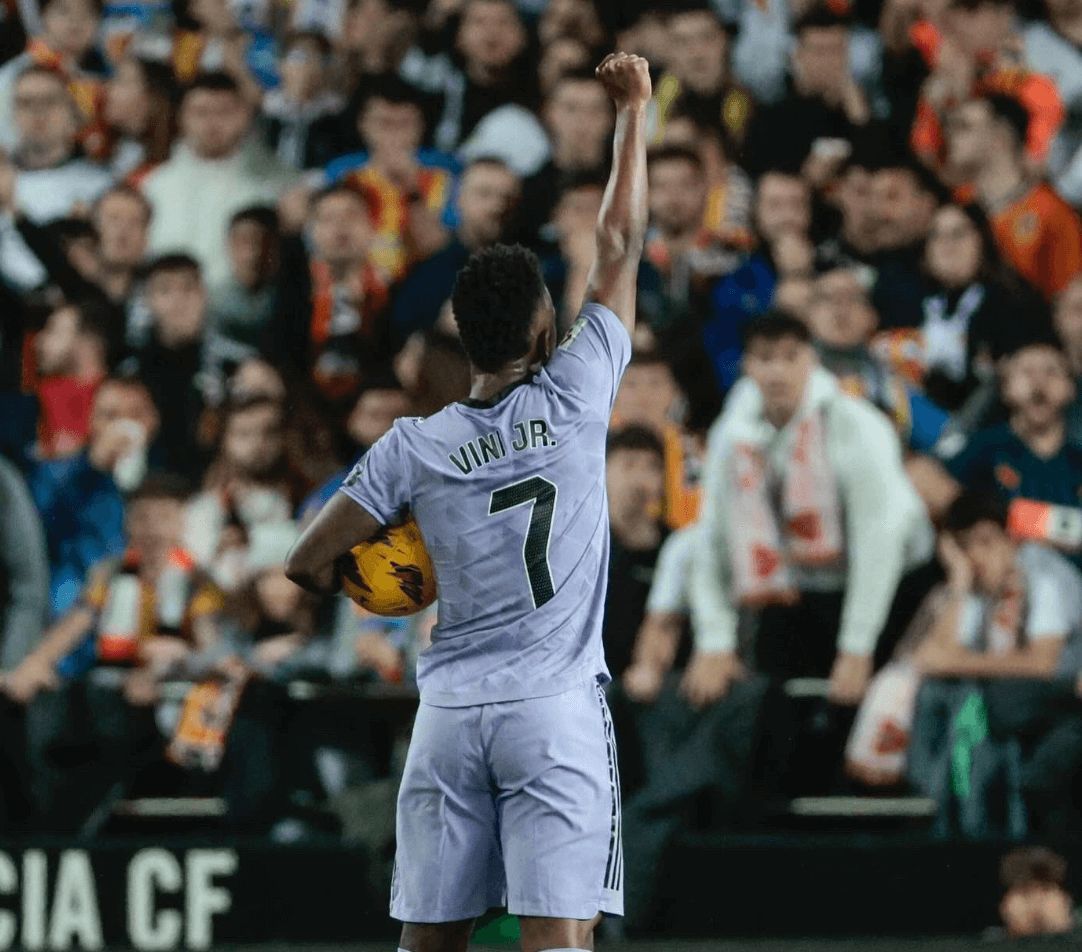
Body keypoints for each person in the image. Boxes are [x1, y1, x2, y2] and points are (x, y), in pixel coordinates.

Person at [286, 51, 651, 952]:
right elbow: (619, 245)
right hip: (555, 706)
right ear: (542, 328)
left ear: (462, 331)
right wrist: (633, 111)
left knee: (429, 945)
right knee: (557, 940)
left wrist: (388, 584)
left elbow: (304, 561)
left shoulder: (412, 444)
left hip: (449, 713)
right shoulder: (577, 397)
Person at [689, 312, 933, 709]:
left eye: (790, 357)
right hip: (796, 588)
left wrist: (857, 647)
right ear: (747, 365)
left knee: (866, 707)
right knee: (773, 708)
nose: (777, 372)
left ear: (812, 360)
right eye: (765, 359)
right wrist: (713, 640)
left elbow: (880, 539)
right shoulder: (732, 435)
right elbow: (713, 535)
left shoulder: (857, 425)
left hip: (896, 583)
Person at [142, 72, 297, 288]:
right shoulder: (153, 185)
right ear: (181, 117)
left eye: (224, 112)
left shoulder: (268, 190)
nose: (212, 123)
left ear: (244, 116)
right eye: (201, 113)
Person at [945, 91, 1082, 300]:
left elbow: (1068, 299)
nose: (949, 134)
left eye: (964, 126)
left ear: (1002, 135)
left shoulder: (1050, 213)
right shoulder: (958, 204)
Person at [389, 157, 521, 348]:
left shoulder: (536, 269)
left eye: (507, 198)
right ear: (459, 199)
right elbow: (400, 337)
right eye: (484, 194)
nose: (497, 206)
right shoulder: (427, 272)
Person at [993, 847, 1078, 939]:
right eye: (1030, 871)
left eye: (1040, 872)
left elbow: (1060, 925)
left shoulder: (1055, 895)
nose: (1034, 879)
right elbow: (1017, 926)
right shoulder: (1015, 897)